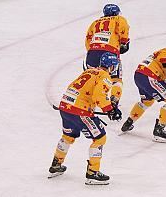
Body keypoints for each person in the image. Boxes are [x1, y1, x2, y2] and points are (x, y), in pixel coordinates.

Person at [49, 52, 121, 185]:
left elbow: (74, 86)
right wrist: (110, 110)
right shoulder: (105, 76)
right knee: (100, 138)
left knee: (67, 136)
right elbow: (98, 96)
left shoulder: (89, 71)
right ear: (111, 66)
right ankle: (93, 173)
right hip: (79, 111)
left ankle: (56, 164)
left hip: (65, 106)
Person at [120, 36, 166, 142]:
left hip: (140, 75)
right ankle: (159, 130)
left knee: (147, 101)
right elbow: (164, 59)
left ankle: (128, 122)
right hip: (150, 76)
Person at [83, 4, 130, 107]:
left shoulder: (94, 23)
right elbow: (124, 32)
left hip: (92, 54)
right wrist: (123, 42)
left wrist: (93, 52)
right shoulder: (119, 19)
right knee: (116, 79)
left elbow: (88, 41)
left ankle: (88, 104)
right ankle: (114, 102)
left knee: (92, 79)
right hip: (109, 53)